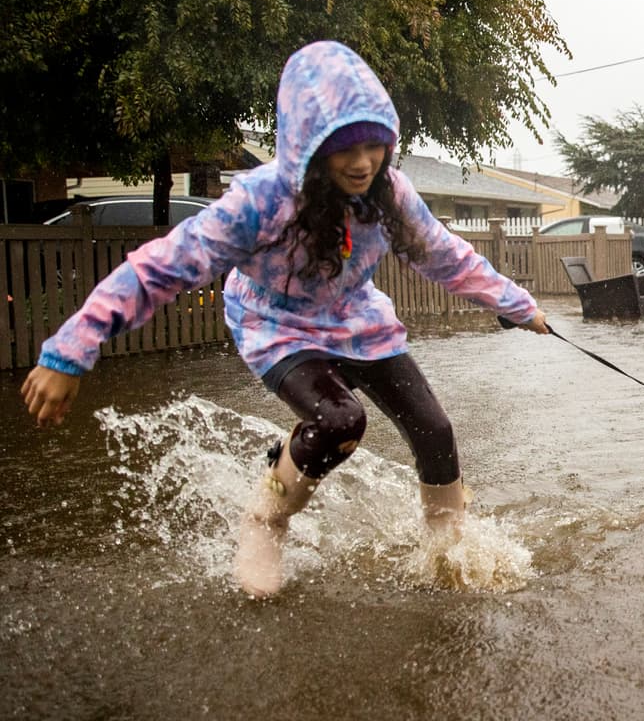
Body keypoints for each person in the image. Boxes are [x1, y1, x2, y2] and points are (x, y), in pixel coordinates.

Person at [21, 40, 549, 598]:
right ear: (307, 146)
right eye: (345, 148)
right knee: (341, 420)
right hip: (276, 326)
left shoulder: (388, 193)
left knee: (435, 430)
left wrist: (519, 306)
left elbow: (446, 256)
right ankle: (266, 520)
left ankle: (448, 547)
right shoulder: (260, 203)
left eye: (375, 145)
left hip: (357, 318)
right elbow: (158, 269)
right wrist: (71, 349)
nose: (363, 162)